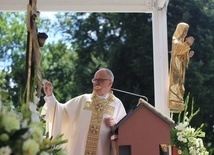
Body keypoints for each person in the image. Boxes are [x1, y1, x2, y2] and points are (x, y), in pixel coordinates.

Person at [41, 68, 127, 155]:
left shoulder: (117, 104)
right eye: (95, 80)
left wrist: (115, 125)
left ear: (110, 83)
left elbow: (126, 131)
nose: (96, 83)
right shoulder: (83, 99)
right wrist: (50, 96)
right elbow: (62, 112)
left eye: (100, 80)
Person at [168, 22, 194, 112]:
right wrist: (187, 44)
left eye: (186, 31)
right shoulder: (175, 40)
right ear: (180, 30)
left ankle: (177, 100)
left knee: (180, 84)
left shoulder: (181, 42)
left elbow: (182, 56)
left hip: (180, 68)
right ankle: (173, 100)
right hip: (175, 66)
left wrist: (188, 56)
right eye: (184, 31)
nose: (185, 33)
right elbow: (178, 50)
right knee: (175, 82)